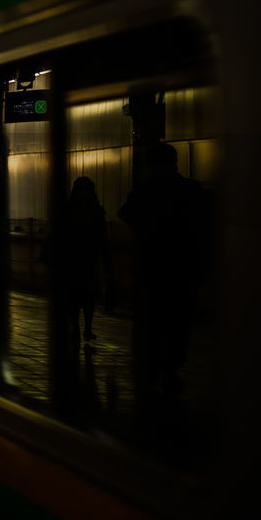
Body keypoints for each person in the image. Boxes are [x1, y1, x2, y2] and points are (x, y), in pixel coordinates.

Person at [118, 142, 212, 404]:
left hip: (153, 265)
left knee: (155, 316)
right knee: (180, 319)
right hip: (183, 267)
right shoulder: (191, 190)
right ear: (175, 161)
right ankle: (172, 365)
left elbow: (126, 214)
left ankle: (154, 364)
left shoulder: (145, 190)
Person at [58, 177, 113, 348]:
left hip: (74, 259)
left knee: (78, 295)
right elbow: (103, 237)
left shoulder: (67, 210)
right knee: (85, 295)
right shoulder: (96, 211)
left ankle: (79, 326)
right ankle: (84, 327)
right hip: (87, 258)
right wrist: (106, 259)